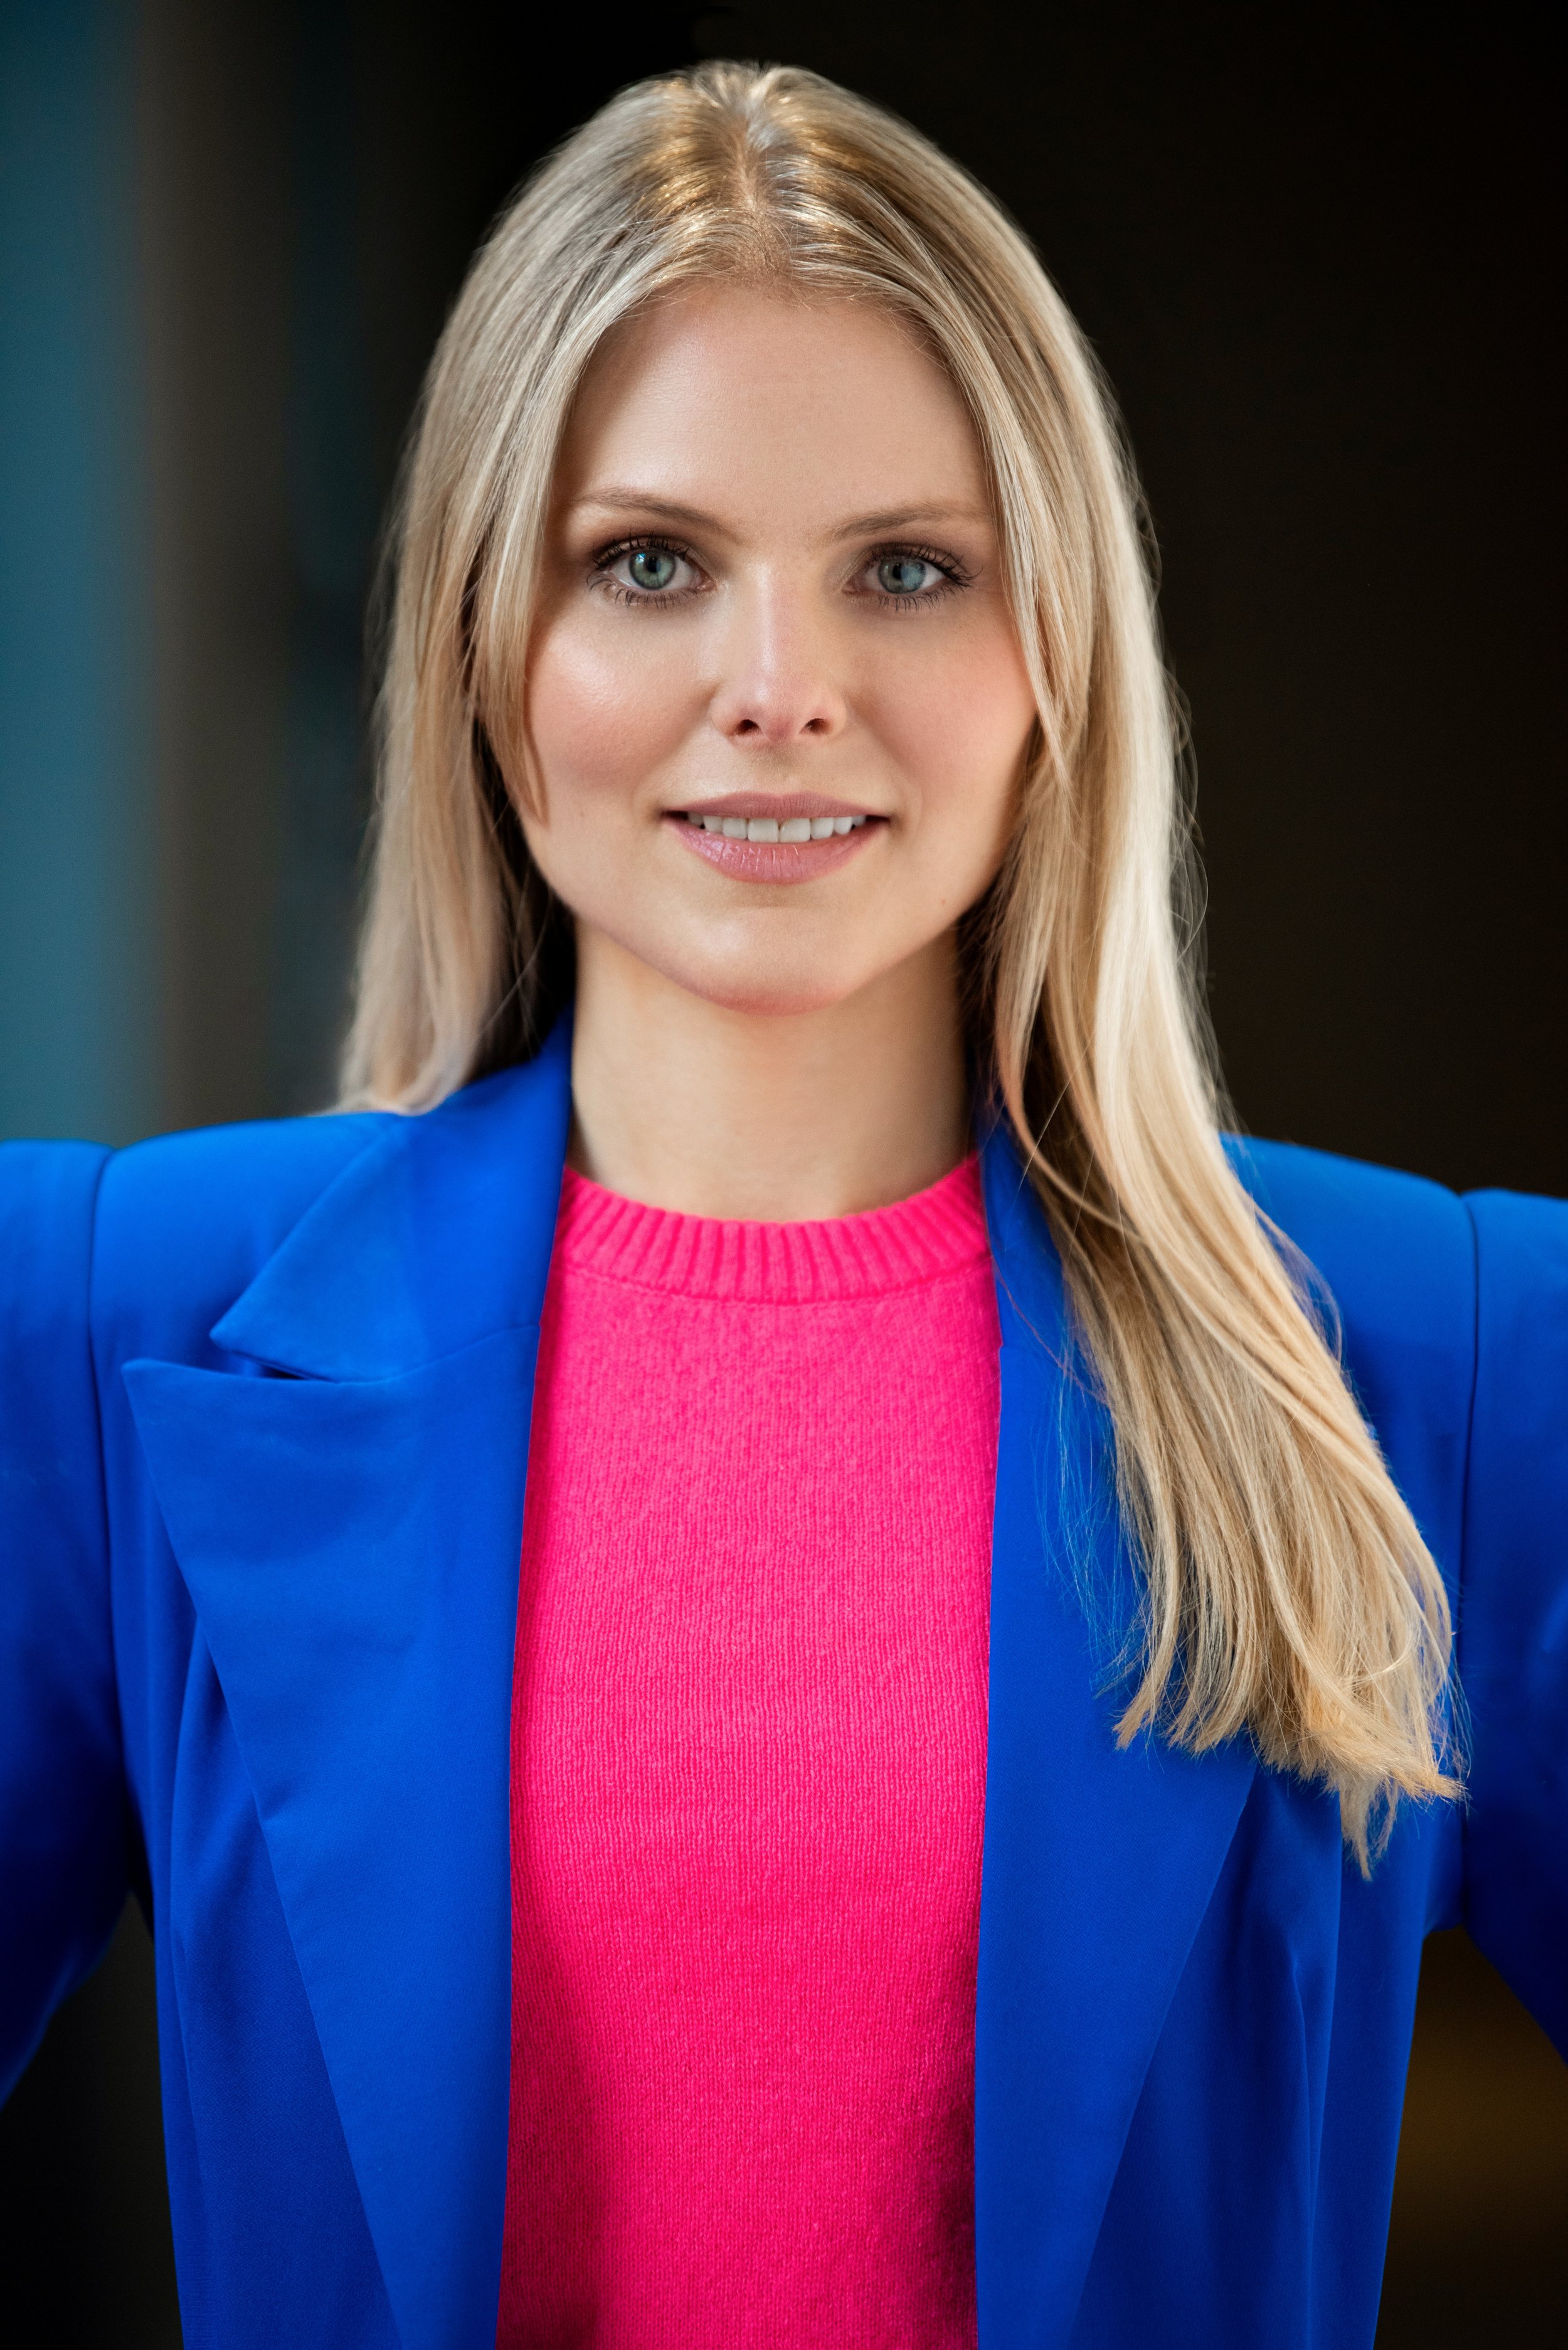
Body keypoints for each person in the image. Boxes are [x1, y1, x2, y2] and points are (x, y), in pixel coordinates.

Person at [0, 60, 1561, 2350]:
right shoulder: (106, 1323)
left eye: (907, 572)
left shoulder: (1442, 1351)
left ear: (1055, 672)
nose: (781, 692)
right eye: (649, 564)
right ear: (477, 654)